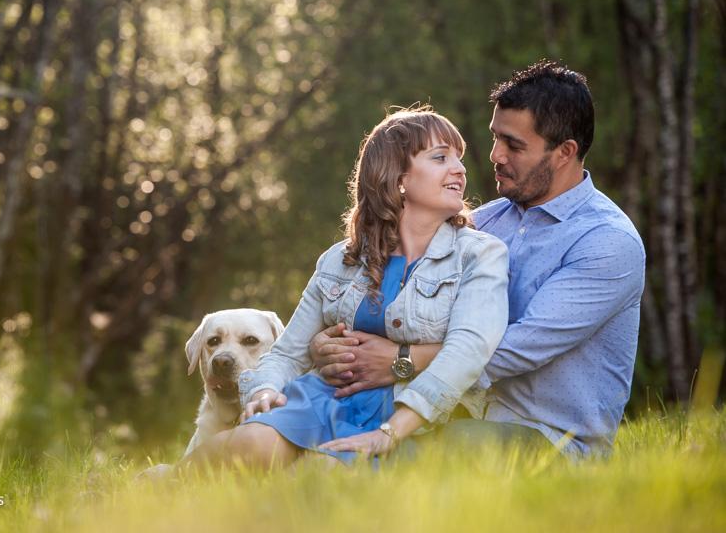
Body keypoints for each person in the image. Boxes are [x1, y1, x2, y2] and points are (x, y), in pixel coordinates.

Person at [311, 61, 646, 458]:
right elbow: (398, 302)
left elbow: (515, 349)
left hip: (548, 438)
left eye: (514, 145)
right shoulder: (481, 222)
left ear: (564, 153)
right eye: (495, 138)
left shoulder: (606, 242)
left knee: (400, 457)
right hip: (446, 412)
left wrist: (400, 361)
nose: (495, 156)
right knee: (312, 434)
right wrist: (329, 346)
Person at [180, 107, 509, 468]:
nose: (460, 169)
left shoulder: (480, 255)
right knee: (251, 445)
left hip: (412, 412)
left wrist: (391, 431)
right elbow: (289, 354)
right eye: (440, 157)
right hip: (323, 399)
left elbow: (469, 349)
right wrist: (264, 390)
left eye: (458, 159)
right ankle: (166, 479)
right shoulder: (340, 259)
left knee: (318, 475)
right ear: (397, 176)